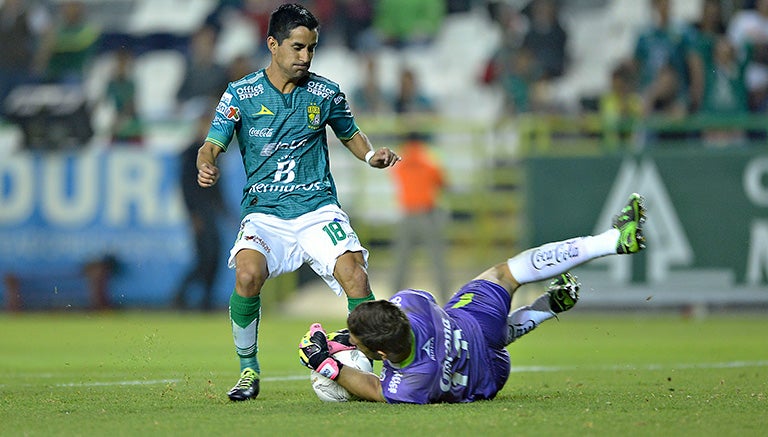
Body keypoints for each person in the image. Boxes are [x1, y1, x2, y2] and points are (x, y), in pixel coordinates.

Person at [196, 3, 400, 402]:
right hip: (266, 212)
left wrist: (370, 155)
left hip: (316, 207)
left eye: (311, 48)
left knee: (356, 276)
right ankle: (248, 370)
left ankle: (365, 366)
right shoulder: (242, 94)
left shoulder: (324, 92)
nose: (305, 57)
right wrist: (206, 164)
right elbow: (210, 144)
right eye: (297, 47)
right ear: (272, 44)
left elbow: (351, 132)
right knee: (247, 276)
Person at [299, 193, 647, 404]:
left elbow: (375, 388)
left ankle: (546, 308)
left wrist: (325, 364)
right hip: (473, 326)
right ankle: (611, 241)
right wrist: (351, 341)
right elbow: (400, 317)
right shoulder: (410, 303)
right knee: (505, 274)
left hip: (489, 377)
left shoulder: (412, 381)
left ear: (381, 354)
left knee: (484, 337)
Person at [173, 108, 226, 311]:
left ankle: (205, 299)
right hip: (200, 213)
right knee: (205, 257)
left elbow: (216, 188)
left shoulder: (213, 154)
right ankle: (181, 295)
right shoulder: (190, 153)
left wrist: (224, 211)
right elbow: (186, 187)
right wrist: (193, 215)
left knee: (214, 256)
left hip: (209, 212)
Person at [390, 132, 449, 302]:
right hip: (427, 215)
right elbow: (441, 183)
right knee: (438, 262)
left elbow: (396, 178)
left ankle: (393, 302)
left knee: (401, 263)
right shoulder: (430, 160)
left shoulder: (400, 163)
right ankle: (447, 302)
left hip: (407, 215)